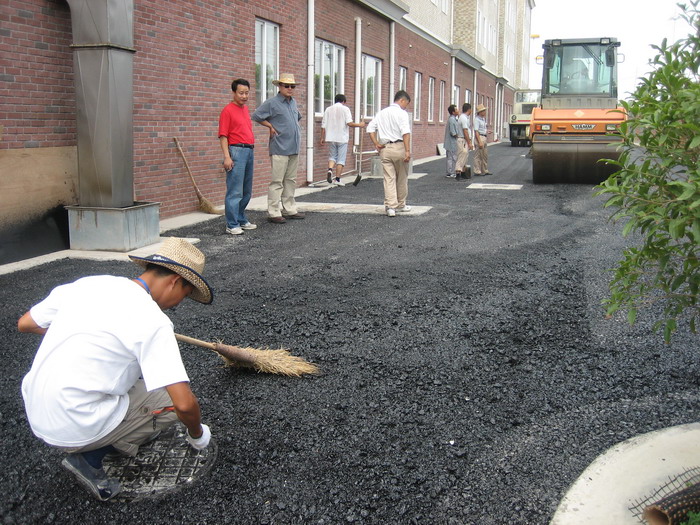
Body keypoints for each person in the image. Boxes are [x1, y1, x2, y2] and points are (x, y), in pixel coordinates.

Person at [18, 237, 214, 501]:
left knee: (140, 376)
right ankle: (89, 458)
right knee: (169, 401)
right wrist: (197, 435)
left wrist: (84, 331)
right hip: (72, 425)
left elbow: (26, 323)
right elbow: (185, 405)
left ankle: (114, 433)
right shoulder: (153, 320)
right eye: (186, 295)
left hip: (37, 409)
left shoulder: (89, 284)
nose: (178, 303)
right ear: (175, 282)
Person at [252, 73, 305, 224]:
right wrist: (270, 125)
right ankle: (274, 211)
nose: (290, 88)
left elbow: (297, 118)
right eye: (286, 86)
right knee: (277, 181)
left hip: (294, 147)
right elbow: (256, 115)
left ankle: (289, 208)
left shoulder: (293, 103)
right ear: (279, 86)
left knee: (290, 180)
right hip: (279, 147)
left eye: (292, 86)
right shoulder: (272, 103)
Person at [219, 78, 256, 235]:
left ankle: (241, 218)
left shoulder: (245, 109)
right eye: (241, 93)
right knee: (235, 190)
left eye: (247, 93)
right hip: (236, 151)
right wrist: (227, 157)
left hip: (249, 151)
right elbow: (223, 136)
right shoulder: (227, 110)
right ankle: (231, 223)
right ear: (234, 92)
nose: (244, 96)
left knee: (246, 189)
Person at [366, 90, 412, 217]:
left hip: (385, 148)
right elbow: (406, 133)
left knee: (389, 178)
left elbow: (370, 128)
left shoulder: (381, 113)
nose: (405, 107)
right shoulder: (402, 114)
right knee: (401, 177)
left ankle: (391, 207)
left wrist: (376, 143)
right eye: (406, 104)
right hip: (399, 147)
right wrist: (407, 150)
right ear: (402, 100)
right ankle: (401, 204)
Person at [320, 94, 365, 186]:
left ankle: (330, 170)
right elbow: (349, 123)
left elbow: (323, 125)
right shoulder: (345, 109)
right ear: (343, 101)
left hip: (331, 137)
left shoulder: (328, 109)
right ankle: (337, 179)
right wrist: (360, 125)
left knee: (332, 156)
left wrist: (322, 137)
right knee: (341, 159)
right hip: (342, 137)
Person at [455, 103, 474, 179]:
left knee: (465, 155)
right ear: (469, 110)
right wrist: (469, 142)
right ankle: (458, 171)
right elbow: (465, 130)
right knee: (462, 154)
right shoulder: (463, 118)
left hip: (464, 139)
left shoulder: (464, 118)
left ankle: (463, 171)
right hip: (462, 139)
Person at [473, 104, 491, 176]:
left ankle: (485, 170)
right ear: (480, 112)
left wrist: (486, 132)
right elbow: (476, 131)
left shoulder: (483, 119)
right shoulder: (477, 120)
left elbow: (482, 129)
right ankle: (477, 170)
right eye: (483, 111)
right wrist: (479, 141)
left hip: (484, 136)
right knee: (478, 155)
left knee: (484, 155)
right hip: (479, 137)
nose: (485, 112)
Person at [443, 104, 460, 178]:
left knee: (450, 157)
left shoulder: (452, 119)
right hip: (451, 142)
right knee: (452, 157)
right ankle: (451, 172)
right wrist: (459, 137)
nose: (458, 111)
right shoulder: (452, 120)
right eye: (456, 110)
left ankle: (449, 172)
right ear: (453, 112)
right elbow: (453, 132)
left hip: (449, 142)